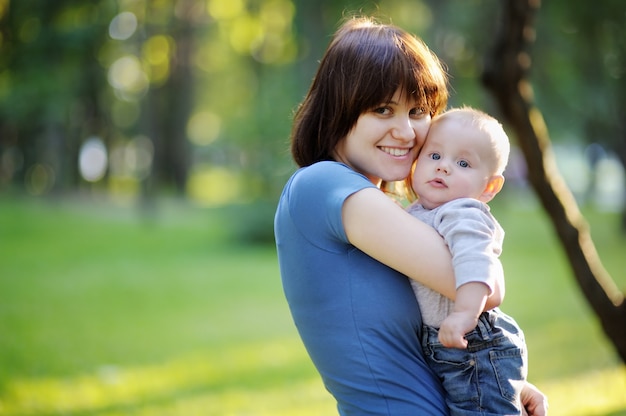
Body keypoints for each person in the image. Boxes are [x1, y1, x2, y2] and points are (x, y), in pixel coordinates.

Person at [274, 16, 547, 415]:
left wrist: (495, 379)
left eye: (418, 110)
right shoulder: (324, 185)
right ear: (339, 109)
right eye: (383, 109)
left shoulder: (388, 208)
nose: (406, 132)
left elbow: (411, 339)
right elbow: (488, 283)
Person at [408, 107, 528, 415]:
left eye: (463, 163)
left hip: (474, 344)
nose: (443, 167)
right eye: (434, 156)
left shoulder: (463, 212)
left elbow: (476, 260)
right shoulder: (417, 213)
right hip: (451, 346)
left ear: (489, 187)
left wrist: (464, 313)